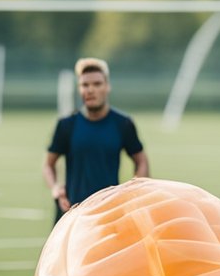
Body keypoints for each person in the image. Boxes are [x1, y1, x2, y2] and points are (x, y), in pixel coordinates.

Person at [42, 58, 150, 222]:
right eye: (85, 85)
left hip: (109, 213)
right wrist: (55, 188)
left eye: (97, 84)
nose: (90, 89)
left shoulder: (123, 123)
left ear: (107, 87)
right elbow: (48, 165)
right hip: (71, 212)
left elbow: (141, 160)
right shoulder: (67, 125)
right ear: (79, 89)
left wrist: (133, 189)